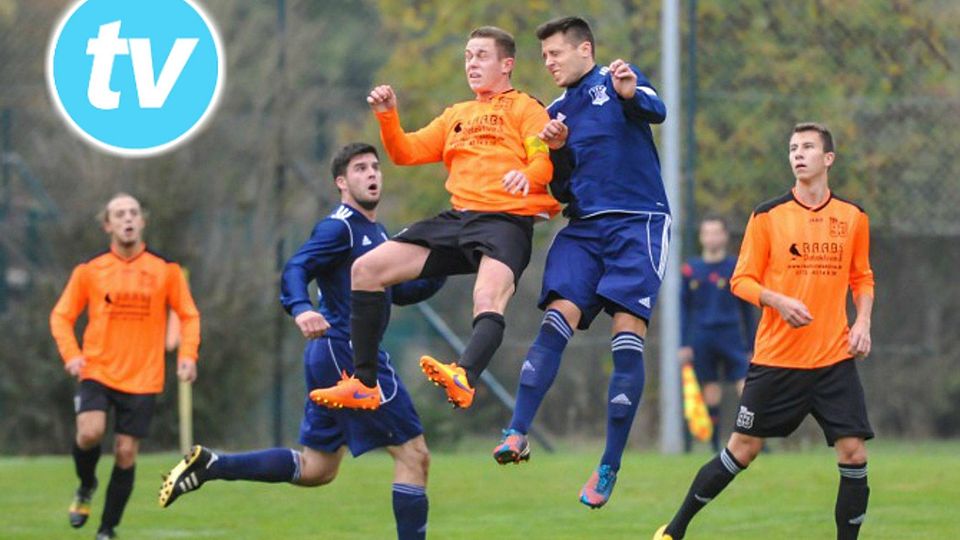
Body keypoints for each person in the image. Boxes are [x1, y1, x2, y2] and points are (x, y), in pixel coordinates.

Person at [158, 143, 443, 540]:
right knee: (415, 455)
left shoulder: (375, 232)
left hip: (328, 355)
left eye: (376, 167)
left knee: (317, 469)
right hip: (348, 353)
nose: (372, 174)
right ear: (341, 183)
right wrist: (299, 307)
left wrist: (447, 262)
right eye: (360, 169)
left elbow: (401, 291)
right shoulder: (339, 226)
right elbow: (297, 266)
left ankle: (213, 465)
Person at [309, 26, 559, 411]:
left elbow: (542, 159)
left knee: (488, 297)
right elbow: (405, 152)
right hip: (458, 220)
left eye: (481, 55)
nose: (471, 63)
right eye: (467, 56)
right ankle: (364, 383)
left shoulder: (526, 108)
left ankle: (465, 375)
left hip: (505, 221)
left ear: (506, 64)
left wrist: (526, 175)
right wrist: (387, 116)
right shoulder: (456, 114)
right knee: (366, 270)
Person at [653, 122, 874, 540]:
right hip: (778, 360)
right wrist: (777, 300)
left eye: (808, 147)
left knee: (853, 451)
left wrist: (862, 322)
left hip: (833, 360)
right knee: (743, 450)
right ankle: (673, 531)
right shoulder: (768, 215)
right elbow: (742, 281)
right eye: (793, 147)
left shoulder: (852, 217)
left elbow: (862, 278)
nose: (798, 154)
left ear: (828, 159)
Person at [491, 16, 669, 509]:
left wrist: (632, 92)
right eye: (544, 55)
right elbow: (562, 188)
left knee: (628, 330)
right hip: (585, 227)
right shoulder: (553, 114)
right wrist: (557, 150)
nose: (547, 62)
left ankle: (609, 463)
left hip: (639, 223)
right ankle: (517, 432)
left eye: (555, 53)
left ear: (584, 49)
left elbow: (658, 111)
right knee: (556, 317)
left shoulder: (619, 81)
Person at [50, 193, 201, 540]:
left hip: (144, 376)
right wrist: (71, 353)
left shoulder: (166, 272)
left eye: (133, 213)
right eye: (119, 214)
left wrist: (187, 355)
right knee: (88, 433)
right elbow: (61, 315)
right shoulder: (90, 272)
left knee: (125, 452)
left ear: (142, 221)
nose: (128, 219)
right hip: (97, 369)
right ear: (108, 225)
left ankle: (107, 529)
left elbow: (188, 315)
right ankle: (86, 485)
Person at [680, 215, 756, 452]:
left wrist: (752, 344)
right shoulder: (690, 269)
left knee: (747, 387)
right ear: (701, 237)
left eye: (716, 232)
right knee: (710, 389)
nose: (712, 237)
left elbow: (748, 309)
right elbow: (684, 310)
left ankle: (752, 439)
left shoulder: (736, 267)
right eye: (707, 232)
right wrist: (684, 343)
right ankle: (713, 443)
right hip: (702, 336)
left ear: (724, 236)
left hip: (731, 334)